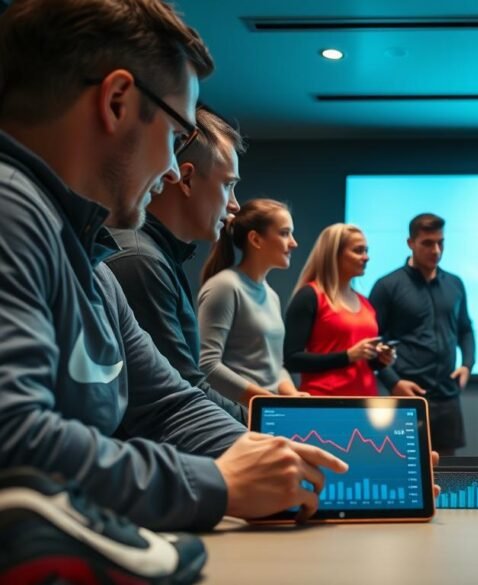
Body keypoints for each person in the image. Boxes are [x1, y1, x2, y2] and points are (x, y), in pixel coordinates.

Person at [0, 0, 344, 530]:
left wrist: (304, 470)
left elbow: (170, 406)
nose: (169, 168)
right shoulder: (13, 211)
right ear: (116, 102)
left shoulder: (91, 266)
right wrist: (217, 484)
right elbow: (15, 441)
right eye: (175, 135)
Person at [105, 107, 246, 422]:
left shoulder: (155, 255)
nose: (235, 204)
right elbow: (177, 399)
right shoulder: (141, 261)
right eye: (228, 185)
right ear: (186, 179)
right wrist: (264, 423)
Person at [369, 213, 475, 456]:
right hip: (408, 393)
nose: (436, 250)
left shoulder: (455, 284)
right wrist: (393, 382)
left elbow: (466, 329)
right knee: (404, 469)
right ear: (410, 243)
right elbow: (372, 343)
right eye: (427, 243)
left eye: (440, 242)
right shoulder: (388, 286)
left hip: (447, 397)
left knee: (446, 472)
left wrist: (467, 364)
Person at [198, 198, 303, 403]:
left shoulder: (271, 295)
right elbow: (207, 365)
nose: (293, 243)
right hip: (235, 414)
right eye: (284, 233)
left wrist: (293, 397)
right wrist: (265, 401)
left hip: (264, 412)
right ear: (255, 239)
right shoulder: (225, 286)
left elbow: (275, 367)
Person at [284, 223, 396, 396]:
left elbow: (362, 362)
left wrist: (380, 360)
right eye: (358, 251)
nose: (366, 257)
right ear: (334, 254)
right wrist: (347, 356)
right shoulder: (310, 296)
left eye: (366, 251)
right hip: (325, 401)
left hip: (365, 401)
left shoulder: (365, 303)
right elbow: (292, 359)